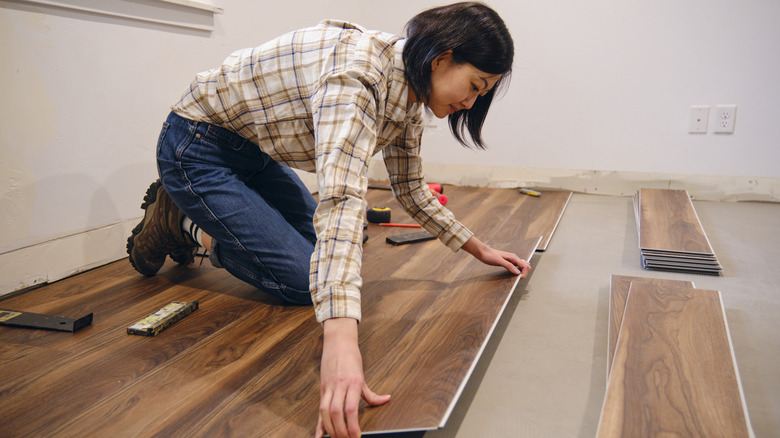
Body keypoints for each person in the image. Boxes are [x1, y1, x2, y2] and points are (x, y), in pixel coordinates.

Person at [126, 2, 530, 437]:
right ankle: (182, 223)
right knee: (305, 280)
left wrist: (478, 248)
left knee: (331, 255)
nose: (470, 101)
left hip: (253, 153)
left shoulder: (408, 91)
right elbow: (340, 200)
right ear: (443, 58)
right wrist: (341, 346)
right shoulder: (356, 82)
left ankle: (197, 213)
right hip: (197, 148)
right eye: (474, 85)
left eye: (481, 94)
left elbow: (411, 190)